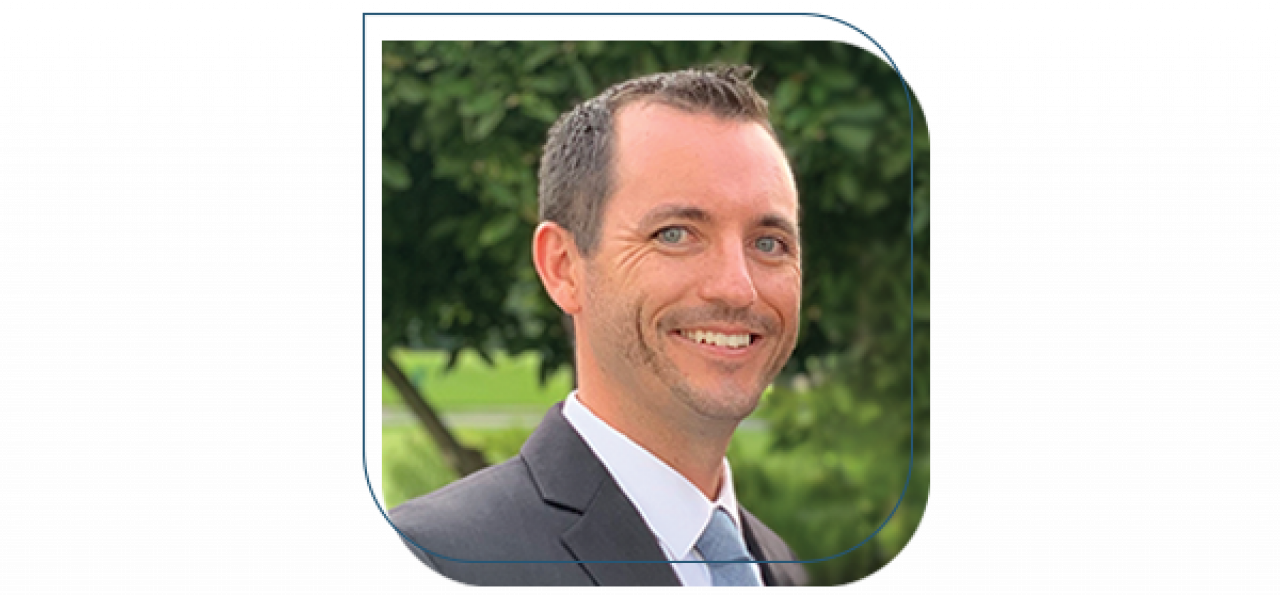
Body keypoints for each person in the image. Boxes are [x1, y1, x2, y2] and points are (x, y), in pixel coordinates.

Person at [388, 65, 809, 588]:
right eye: (675, 234)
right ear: (563, 267)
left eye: (769, 243)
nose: (737, 287)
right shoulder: (434, 559)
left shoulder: (776, 563)